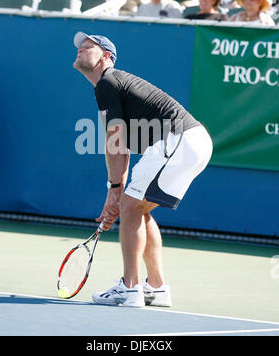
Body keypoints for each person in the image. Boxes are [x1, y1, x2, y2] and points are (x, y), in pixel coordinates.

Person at [72, 32, 213, 307]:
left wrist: (115, 192)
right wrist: (117, 192)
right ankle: (157, 287)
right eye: (80, 46)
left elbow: (114, 140)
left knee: (131, 206)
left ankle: (130, 287)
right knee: (139, 209)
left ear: (106, 57)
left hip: (178, 139)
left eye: (89, 46)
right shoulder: (110, 85)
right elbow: (121, 146)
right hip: (193, 142)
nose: (81, 49)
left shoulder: (108, 81)